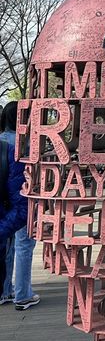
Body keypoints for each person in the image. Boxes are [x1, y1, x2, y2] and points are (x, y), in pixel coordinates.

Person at [0, 102, 35, 311]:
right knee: (24, 244)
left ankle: (4, 290)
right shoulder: (25, 143)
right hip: (22, 200)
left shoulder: (2, 141)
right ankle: (23, 294)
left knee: (7, 246)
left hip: (3, 203)